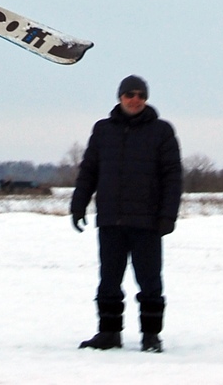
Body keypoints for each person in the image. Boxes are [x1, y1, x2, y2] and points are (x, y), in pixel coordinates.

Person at [70, 75, 183, 352]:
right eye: (130, 94)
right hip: (111, 219)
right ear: (120, 97)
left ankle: (151, 336)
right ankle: (109, 334)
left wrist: (168, 215)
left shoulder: (161, 131)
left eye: (140, 95)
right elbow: (89, 171)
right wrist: (78, 203)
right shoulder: (103, 130)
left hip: (148, 222)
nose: (135, 100)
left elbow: (173, 177)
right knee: (109, 280)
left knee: (150, 282)